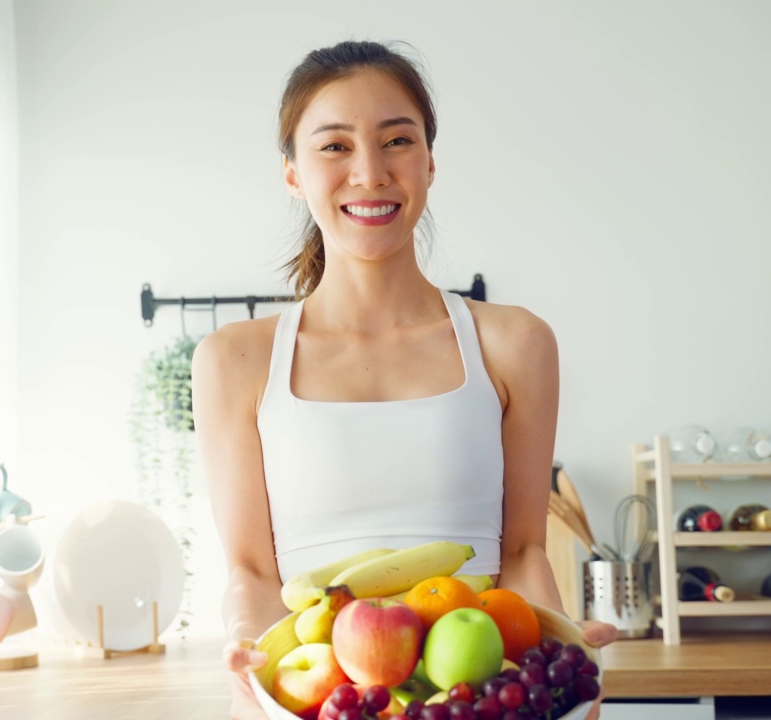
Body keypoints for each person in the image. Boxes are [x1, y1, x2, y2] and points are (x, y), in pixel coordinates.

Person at [192, 40, 616, 720]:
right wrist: (250, 663)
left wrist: (566, 672)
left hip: (482, 693)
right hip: (318, 698)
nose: (369, 172)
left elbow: (525, 551)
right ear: (293, 173)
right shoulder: (234, 360)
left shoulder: (514, 343)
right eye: (334, 147)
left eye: (396, 140)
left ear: (428, 161)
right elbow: (250, 572)